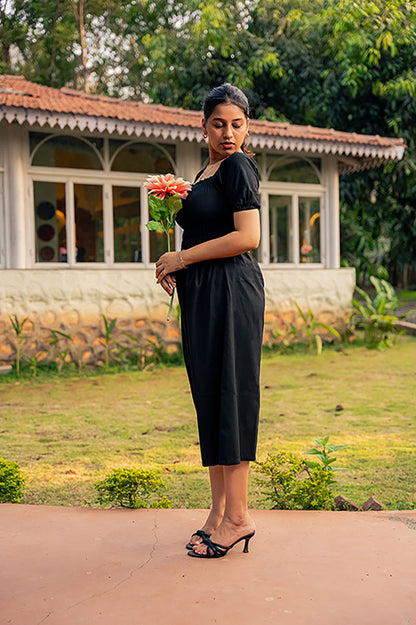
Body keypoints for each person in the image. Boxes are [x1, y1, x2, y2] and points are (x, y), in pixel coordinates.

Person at [154, 84, 265, 559]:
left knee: (230, 395)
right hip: (204, 295)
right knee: (209, 396)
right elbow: (204, 230)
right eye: (218, 123)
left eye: (236, 124)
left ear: (247, 126)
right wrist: (179, 264)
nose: (227, 132)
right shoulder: (205, 172)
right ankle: (219, 512)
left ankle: (239, 518)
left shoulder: (239, 165)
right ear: (203, 126)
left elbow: (248, 236)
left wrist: (182, 258)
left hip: (232, 292)